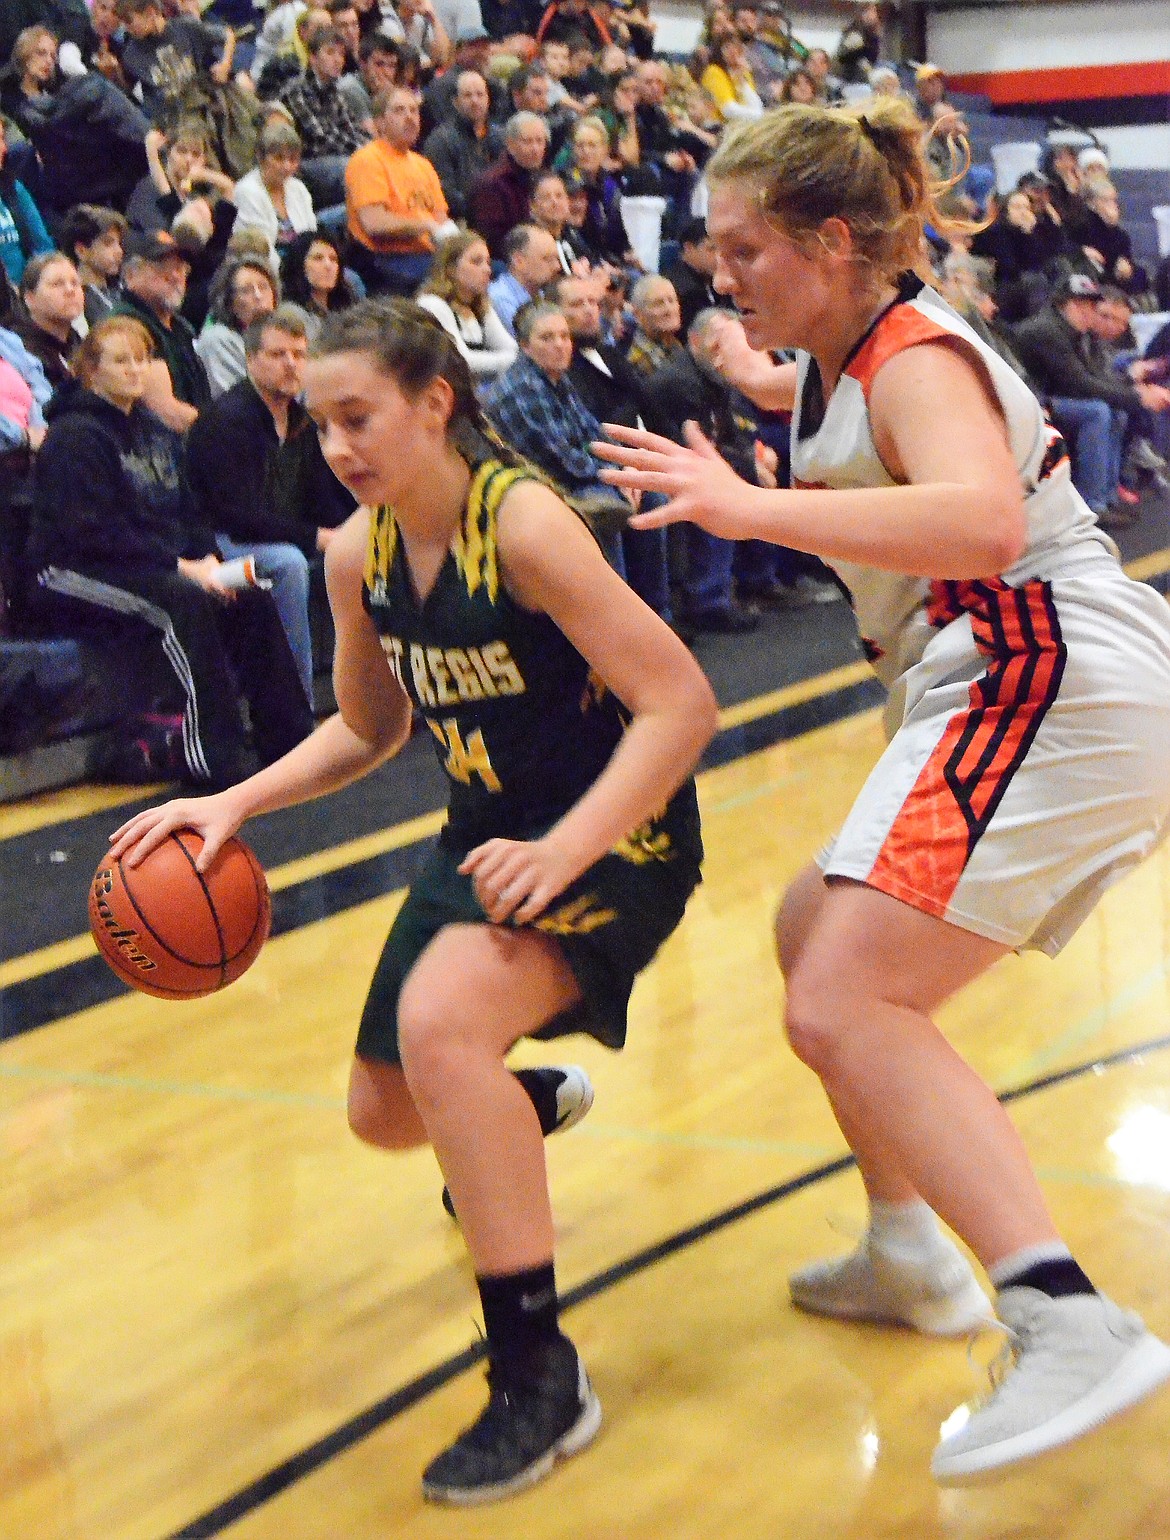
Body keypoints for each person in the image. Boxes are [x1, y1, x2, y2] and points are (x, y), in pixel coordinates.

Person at [594, 97, 1170, 1481]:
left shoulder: (913, 353)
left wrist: (747, 507)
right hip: (988, 677)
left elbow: (975, 516)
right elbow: (822, 419)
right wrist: (740, 365)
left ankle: (1065, 1316)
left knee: (847, 996)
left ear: (831, 240)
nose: (715, 273)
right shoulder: (841, 353)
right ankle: (909, 1246)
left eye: (740, 251)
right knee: (812, 935)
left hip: (1039, 668)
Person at [107, 294, 714, 1503]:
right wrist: (233, 805)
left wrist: (570, 846)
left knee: (440, 1026)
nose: (336, 445)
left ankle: (540, 1377)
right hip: (487, 836)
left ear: (435, 403)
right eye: (322, 424)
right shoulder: (356, 550)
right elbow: (369, 726)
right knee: (384, 1114)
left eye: (358, 416)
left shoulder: (527, 527)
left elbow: (682, 702)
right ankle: (507, 1106)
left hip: (617, 834)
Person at [27, 314, 312, 786]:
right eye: (121, 361)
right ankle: (213, 756)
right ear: (91, 369)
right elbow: (92, 533)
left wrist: (210, 562)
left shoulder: (153, 430)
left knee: (250, 597)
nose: (135, 370)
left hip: (142, 561)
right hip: (69, 568)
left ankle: (290, 739)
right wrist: (181, 568)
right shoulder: (74, 435)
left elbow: (188, 510)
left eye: (142, 359)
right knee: (184, 603)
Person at [186, 305, 353, 702]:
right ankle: (298, 703)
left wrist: (350, 531)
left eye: (300, 355)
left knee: (364, 543)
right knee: (289, 564)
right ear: (250, 361)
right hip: (216, 543)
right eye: (278, 355)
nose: (291, 365)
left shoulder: (302, 419)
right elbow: (235, 516)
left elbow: (322, 496)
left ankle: (378, 689)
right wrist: (317, 537)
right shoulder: (227, 420)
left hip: (275, 533)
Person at [343, 84, 453, 294]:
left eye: (413, 110)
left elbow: (441, 218)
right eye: (399, 110)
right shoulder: (367, 159)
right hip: (386, 259)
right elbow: (374, 223)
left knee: (485, 269)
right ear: (379, 123)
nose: (410, 117)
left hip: (426, 255)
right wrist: (425, 225)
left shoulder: (423, 164)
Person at [115, 230, 211, 431]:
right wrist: (222, 431)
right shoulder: (127, 326)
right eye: (162, 267)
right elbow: (165, 412)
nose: (176, 276)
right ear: (131, 275)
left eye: (181, 267)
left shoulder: (181, 327)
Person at [415, 230, 517, 381]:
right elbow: (462, 360)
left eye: (488, 262)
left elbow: (511, 348)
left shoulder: (480, 306)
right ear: (451, 268)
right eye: (476, 262)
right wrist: (515, 359)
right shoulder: (433, 304)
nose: (487, 269)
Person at [420, 67, 505, 221]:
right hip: (459, 219)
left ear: (488, 99)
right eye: (467, 95)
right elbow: (444, 191)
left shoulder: (500, 136)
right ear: (455, 102)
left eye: (480, 94)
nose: (475, 101)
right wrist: (481, 210)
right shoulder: (440, 140)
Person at [467, 110, 550, 259]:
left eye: (540, 141)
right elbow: (494, 242)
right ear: (510, 145)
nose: (535, 149)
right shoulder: (491, 184)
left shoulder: (544, 177)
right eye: (528, 141)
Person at [195, 254, 279, 395]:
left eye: (263, 287)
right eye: (246, 290)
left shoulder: (278, 336)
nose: (258, 296)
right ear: (229, 301)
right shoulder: (219, 340)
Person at [233, 121, 318, 259]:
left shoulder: (298, 188)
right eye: (279, 158)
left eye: (292, 159)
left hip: (301, 266)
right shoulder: (247, 191)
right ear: (261, 157)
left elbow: (312, 236)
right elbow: (261, 249)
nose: (286, 166)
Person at [13, 252, 84, 389]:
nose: (70, 290)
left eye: (75, 283)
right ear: (30, 298)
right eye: (57, 284)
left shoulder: (79, 344)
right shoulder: (21, 353)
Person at [486, 222, 561, 335]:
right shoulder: (500, 299)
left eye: (556, 258)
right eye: (547, 259)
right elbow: (525, 346)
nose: (557, 266)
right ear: (519, 261)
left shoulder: (541, 294)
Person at [279, 227, 356, 335]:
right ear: (299, 264)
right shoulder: (290, 314)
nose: (328, 265)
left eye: (333, 259)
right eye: (318, 258)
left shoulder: (346, 308)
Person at [60, 205, 127, 328]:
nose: (119, 251)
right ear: (81, 251)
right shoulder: (77, 301)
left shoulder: (122, 289)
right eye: (108, 243)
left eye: (119, 243)